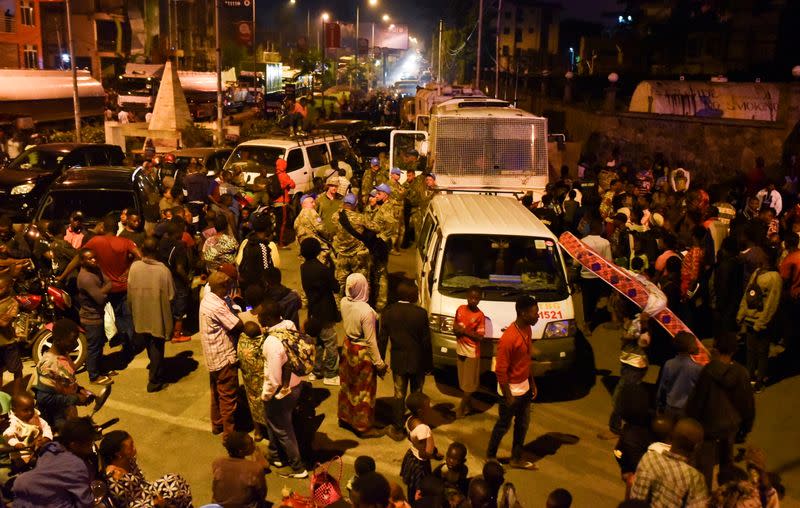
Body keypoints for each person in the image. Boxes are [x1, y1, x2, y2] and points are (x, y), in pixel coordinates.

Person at [62, 213, 142, 360]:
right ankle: (128, 345)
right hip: (122, 288)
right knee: (126, 317)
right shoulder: (125, 242)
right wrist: (129, 269)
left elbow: (78, 257)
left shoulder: (96, 241)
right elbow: (140, 255)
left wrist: (63, 275)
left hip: (104, 288)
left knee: (105, 318)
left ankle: (110, 343)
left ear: (103, 227)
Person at [685, 332, 755, 488]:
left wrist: (691, 421)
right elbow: (747, 405)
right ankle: (726, 495)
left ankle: (705, 499)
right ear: (734, 351)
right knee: (727, 464)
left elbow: (697, 401)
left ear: (716, 349)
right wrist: (745, 428)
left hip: (708, 427)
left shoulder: (708, 371)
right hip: (730, 426)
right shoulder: (742, 373)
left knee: (705, 467)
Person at [486, 295, 539, 470]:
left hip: (524, 389)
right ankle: (490, 456)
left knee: (522, 425)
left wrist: (531, 382)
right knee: (503, 426)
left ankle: (516, 458)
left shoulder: (527, 330)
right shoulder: (509, 338)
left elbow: (525, 359)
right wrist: (508, 397)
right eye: (535, 312)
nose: (538, 315)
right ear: (524, 314)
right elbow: (501, 371)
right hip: (510, 393)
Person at [260, 301, 308, 479]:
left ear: (270, 318)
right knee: (274, 422)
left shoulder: (272, 343)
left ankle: (297, 467)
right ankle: (275, 456)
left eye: (262, 315)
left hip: (281, 391)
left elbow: (273, 377)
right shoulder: (288, 325)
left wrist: (266, 396)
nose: (259, 318)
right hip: (296, 384)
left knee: (284, 430)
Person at [379, 280, 432, 441]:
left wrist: (380, 362)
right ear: (411, 296)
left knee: (399, 395)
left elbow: (382, 339)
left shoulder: (388, 312)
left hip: (399, 361)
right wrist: (429, 365)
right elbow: (426, 342)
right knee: (417, 395)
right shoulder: (420, 313)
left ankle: (398, 428)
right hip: (418, 362)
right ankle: (416, 426)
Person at [338, 273, 387, 438]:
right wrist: (379, 363)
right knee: (364, 390)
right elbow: (371, 341)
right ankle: (363, 426)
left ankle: (345, 417)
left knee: (348, 385)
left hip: (347, 347)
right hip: (362, 351)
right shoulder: (366, 312)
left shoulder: (344, 302)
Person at [12, 416, 96, 507]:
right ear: (74, 444)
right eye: (88, 444)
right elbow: (85, 501)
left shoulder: (51, 448)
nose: (91, 447)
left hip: (21, 497)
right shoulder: (77, 466)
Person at [199, 270, 244, 438]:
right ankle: (229, 434)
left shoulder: (208, 298)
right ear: (223, 286)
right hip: (223, 356)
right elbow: (237, 325)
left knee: (216, 393)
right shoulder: (217, 306)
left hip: (213, 356)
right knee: (228, 398)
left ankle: (217, 425)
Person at [127, 237, 175, 393]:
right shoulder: (163, 271)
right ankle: (154, 380)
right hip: (158, 315)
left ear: (142, 249)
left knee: (149, 343)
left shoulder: (134, 267)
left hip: (141, 313)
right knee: (157, 347)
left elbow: (129, 292)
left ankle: (156, 369)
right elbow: (171, 295)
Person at [100, 430, 192, 507]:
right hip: (141, 504)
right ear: (118, 454)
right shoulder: (114, 479)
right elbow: (127, 504)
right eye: (131, 446)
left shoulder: (129, 460)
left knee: (175, 481)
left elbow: (142, 482)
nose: (134, 448)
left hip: (146, 491)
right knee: (174, 493)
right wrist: (155, 504)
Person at [630, 418, 709, 507]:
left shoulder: (649, 459)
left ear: (670, 437)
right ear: (697, 447)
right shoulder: (695, 479)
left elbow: (636, 499)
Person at [600, 304, 651, 440]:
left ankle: (615, 428)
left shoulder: (639, 323)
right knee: (628, 396)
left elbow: (645, 342)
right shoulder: (632, 321)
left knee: (619, 397)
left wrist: (632, 334)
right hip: (628, 363)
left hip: (635, 366)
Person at [33, 319, 92, 429]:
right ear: (58, 340)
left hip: (67, 412)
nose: (75, 345)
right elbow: (44, 398)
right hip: (54, 419)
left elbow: (64, 381)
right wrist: (75, 399)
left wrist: (80, 390)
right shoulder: (48, 365)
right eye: (71, 341)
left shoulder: (64, 355)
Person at [736, 258, 781, 392]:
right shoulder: (757, 272)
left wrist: (762, 323)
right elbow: (747, 294)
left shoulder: (775, 277)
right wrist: (741, 314)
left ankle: (759, 381)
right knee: (750, 352)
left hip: (761, 322)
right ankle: (750, 378)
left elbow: (772, 303)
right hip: (750, 320)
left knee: (762, 353)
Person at [300, 238, 340, 385]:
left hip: (313, 310)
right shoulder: (323, 269)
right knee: (330, 343)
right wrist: (332, 267)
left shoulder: (303, 268)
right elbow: (336, 287)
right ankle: (331, 374)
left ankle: (316, 371)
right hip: (326, 310)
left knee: (318, 343)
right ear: (317, 251)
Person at [75, 249, 114, 386]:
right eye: (89, 259)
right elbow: (100, 299)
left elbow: (110, 282)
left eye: (94, 257)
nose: (93, 260)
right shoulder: (86, 278)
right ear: (82, 261)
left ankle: (100, 369)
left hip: (98, 315)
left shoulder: (95, 270)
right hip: (91, 318)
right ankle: (93, 376)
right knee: (93, 348)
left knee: (99, 344)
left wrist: (102, 290)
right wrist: (102, 291)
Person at [399, 392, 440, 502]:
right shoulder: (423, 429)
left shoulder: (410, 419)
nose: (430, 409)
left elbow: (412, 439)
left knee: (412, 488)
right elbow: (423, 453)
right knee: (420, 490)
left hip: (412, 456)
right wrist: (433, 455)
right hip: (420, 464)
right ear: (421, 412)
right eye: (428, 407)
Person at [211, 431, 269, 508]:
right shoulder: (255, 469)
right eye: (251, 443)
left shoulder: (218, 463)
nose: (254, 444)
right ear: (241, 451)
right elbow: (262, 493)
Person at [453, 286, 486, 418]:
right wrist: (457, 330)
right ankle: (470, 405)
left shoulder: (480, 315)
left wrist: (464, 331)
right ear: (467, 296)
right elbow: (455, 326)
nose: (473, 300)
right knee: (463, 381)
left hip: (472, 352)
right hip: (460, 350)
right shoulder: (460, 309)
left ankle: (461, 409)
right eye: (471, 297)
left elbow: (480, 337)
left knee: (469, 384)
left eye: (476, 298)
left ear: (479, 300)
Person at [333, 193, 376, 296]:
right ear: (355, 204)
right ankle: (360, 302)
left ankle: (339, 308)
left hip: (342, 254)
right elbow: (376, 228)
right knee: (361, 281)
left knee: (340, 282)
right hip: (357, 255)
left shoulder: (335, 216)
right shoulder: (360, 218)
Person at [656, 331, 703, 418]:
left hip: (669, 408)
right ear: (689, 346)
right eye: (695, 343)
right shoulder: (698, 368)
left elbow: (662, 388)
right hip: (687, 410)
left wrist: (659, 405)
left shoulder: (668, 364)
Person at [579, 218, 612, 333]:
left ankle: (587, 324)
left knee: (587, 301)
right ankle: (595, 318)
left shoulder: (582, 241)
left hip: (585, 277)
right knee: (597, 299)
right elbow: (609, 262)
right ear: (599, 228)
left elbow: (577, 261)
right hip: (599, 277)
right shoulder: (605, 243)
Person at [3, 392, 53, 465]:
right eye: (25, 410)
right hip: (21, 453)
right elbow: (8, 435)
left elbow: (46, 427)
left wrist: (46, 437)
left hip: (38, 449)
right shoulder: (14, 423)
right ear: (14, 410)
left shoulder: (36, 418)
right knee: (21, 464)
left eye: (32, 409)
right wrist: (16, 443)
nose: (30, 413)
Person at [370, 183, 398, 311]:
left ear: (385, 195)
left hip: (380, 245)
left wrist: (381, 238)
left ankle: (381, 301)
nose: (376, 195)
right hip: (379, 244)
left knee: (381, 273)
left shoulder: (387, 208)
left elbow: (392, 226)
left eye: (379, 193)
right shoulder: (383, 205)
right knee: (378, 271)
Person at [237, 213, 276, 294]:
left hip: (247, 285)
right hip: (257, 287)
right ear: (267, 229)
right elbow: (266, 270)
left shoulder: (248, 242)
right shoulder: (262, 247)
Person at [0, 273, 22, 391]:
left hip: (8, 343)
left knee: (16, 369)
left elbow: (4, 323)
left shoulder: (12, 303)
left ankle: (17, 393)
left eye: (1, 288)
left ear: (9, 287)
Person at [295, 194, 332, 264]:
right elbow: (321, 228)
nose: (314, 204)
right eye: (311, 202)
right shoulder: (311, 212)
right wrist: (329, 238)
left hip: (305, 251)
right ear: (304, 204)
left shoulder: (297, 218)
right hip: (316, 249)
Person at [273, 157, 296, 247]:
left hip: (275, 203)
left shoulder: (275, 175)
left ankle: (277, 239)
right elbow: (293, 185)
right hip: (282, 203)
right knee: (282, 223)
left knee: (277, 223)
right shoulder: (283, 175)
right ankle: (281, 242)